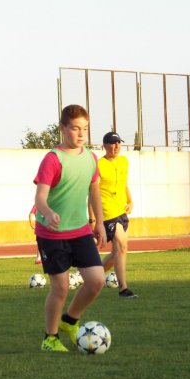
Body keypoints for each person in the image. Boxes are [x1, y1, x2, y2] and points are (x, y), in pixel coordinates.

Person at [33, 105, 107, 353]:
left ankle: (69, 321)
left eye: (84, 128)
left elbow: (94, 189)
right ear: (63, 129)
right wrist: (48, 212)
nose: (81, 134)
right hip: (52, 235)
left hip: (80, 231)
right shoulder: (53, 159)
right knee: (61, 287)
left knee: (97, 281)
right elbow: (40, 197)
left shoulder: (90, 158)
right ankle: (50, 337)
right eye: (75, 128)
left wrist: (99, 222)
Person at [91, 132, 137, 298]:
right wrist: (93, 219)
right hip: (107, 211)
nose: (116, 146)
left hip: (121, 211)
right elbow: (92, 191)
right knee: (122, 246)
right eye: (112, 143)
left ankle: (89, 277)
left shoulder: (124, 161)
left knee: (115, 253)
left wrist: (130, 201)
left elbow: (125, 183)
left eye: (118, 143)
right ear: (104, 145)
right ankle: (123, 288)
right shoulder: (98, 164)